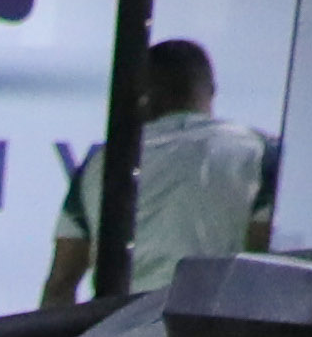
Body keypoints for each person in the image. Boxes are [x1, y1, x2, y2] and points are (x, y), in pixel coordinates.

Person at [50, 37, 271, 303]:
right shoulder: (258, 152)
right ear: (211, 90)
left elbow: (61, 284)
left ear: (142, 95)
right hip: (214, 328)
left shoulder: (104, 162)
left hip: (125, 332)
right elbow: (271, 256)